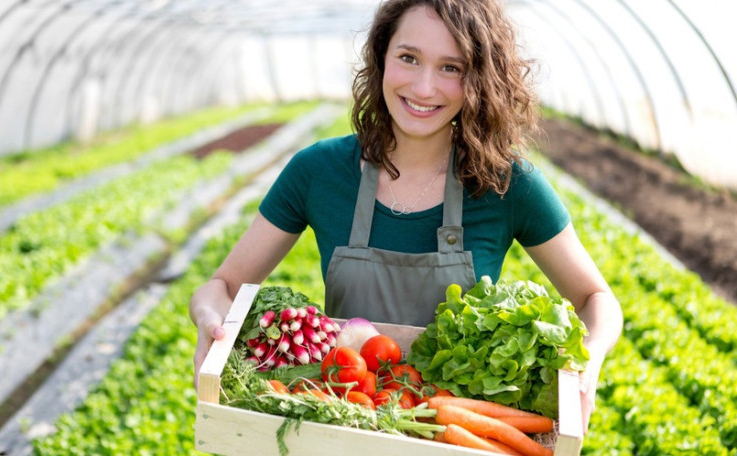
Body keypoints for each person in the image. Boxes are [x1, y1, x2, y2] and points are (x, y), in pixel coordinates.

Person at [190, 0, 623, 434]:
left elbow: (596, 301)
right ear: (381, 58)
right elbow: (222, 287)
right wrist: (210, 317)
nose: (424, 87)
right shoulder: (317, 172)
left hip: (458, 438)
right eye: (408, 58)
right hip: (342, 426)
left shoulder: (507, 184)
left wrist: (590, 358)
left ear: (480, 80)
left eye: (451, 68)